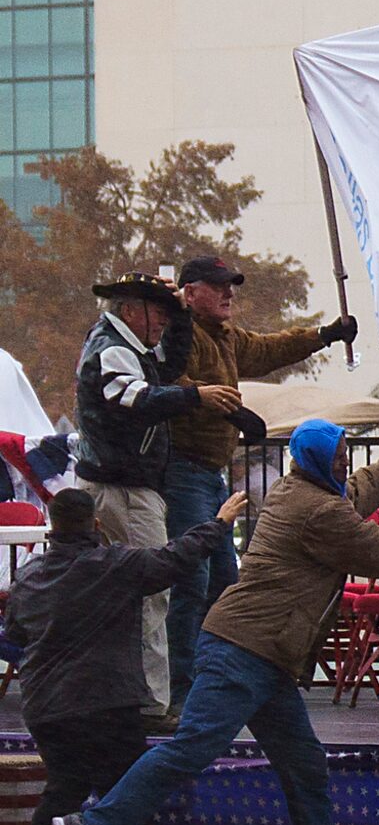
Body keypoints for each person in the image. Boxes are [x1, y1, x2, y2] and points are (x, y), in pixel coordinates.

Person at [54, 420, 379, 825]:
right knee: (192, 749)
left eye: (345, 451)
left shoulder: (304, 490)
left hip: (263, 656)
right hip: (242, 651)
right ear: (318, 458)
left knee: (304, 767)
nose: (345, 460)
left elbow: (359, 490)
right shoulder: (318, 512)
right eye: (339, 453)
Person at [4, 485, 245, 825]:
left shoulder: (29, 574)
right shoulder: (113, 565)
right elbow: (176, 558)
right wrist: (221, 523)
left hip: (43, 704)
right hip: (104, 701)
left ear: (52, 525)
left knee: (65, 787)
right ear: (96, 524)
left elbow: (16, 637)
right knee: (126, 786)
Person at [163, 254, 357, 708]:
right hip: (187, 469)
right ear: (190, 293)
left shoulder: (223, 336)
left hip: (205, 472)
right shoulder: (180, 335)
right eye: (219, 286)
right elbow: (173, 380)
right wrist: (226, 408)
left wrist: (322, 336)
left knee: (221, 579)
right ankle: (184, 691)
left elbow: (270, 349)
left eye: (230, 285)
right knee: (198, 579)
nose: (229, 292)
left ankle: (206, 684)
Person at [72, 274, 233, 715]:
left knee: (119, 596)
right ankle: (151, 705)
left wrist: (181, 316)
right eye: (158, 310)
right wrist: (195, 395)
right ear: (131, 311)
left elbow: (165, 365)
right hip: (123, 490)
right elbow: (138, 397)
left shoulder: (124, 347)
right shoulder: (114, 349)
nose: (163, 319)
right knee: (151, 589)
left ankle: (120, 700)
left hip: (116, 488)